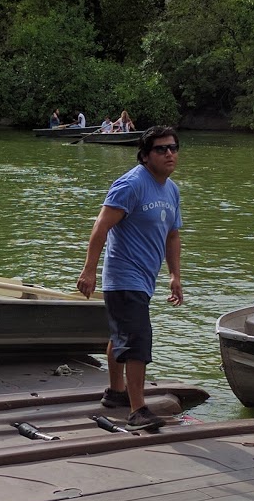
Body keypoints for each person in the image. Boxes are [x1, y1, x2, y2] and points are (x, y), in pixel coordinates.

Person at [76, 126, 184, 429]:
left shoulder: (171, 189)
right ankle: (137, 409)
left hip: (145, 278)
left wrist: (175, 276)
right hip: (123, 275)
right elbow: (101, 226)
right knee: (138, 338)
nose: (169, 154)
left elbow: (172, 235)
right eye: (161, 149)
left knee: (123, 335)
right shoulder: (131, 184)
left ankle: (115, 393)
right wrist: (89, 270)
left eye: (173, 148)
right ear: (146, 154)